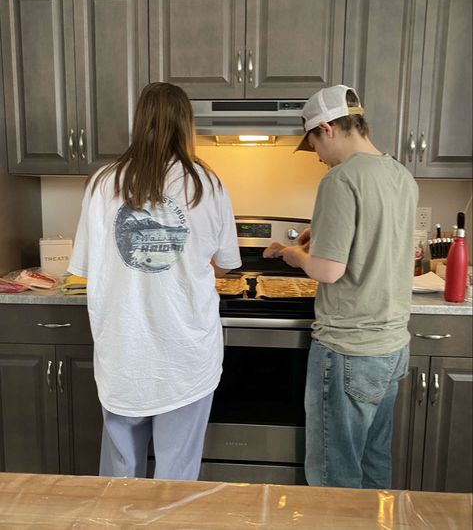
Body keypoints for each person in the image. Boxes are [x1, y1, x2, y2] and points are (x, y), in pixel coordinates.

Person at [68, 82, 241, 480]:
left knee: (119, 476)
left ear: (139, 121)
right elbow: (228, 264)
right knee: (176, 476)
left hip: (124, 353)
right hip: (184, 354)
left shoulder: (101, 184)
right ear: (187, 126)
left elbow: (89, 266)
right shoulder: (206, 185)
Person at [264, 84, 418, 489]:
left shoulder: (340, 179)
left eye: (312, 142)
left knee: (334, 476)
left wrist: (293, 255)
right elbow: (375, 239)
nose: (316, 155)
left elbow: (328, 272)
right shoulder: (399, 173)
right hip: (391, 347)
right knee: (372, 464)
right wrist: (324, 233)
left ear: (327, 128)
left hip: (349, 350)